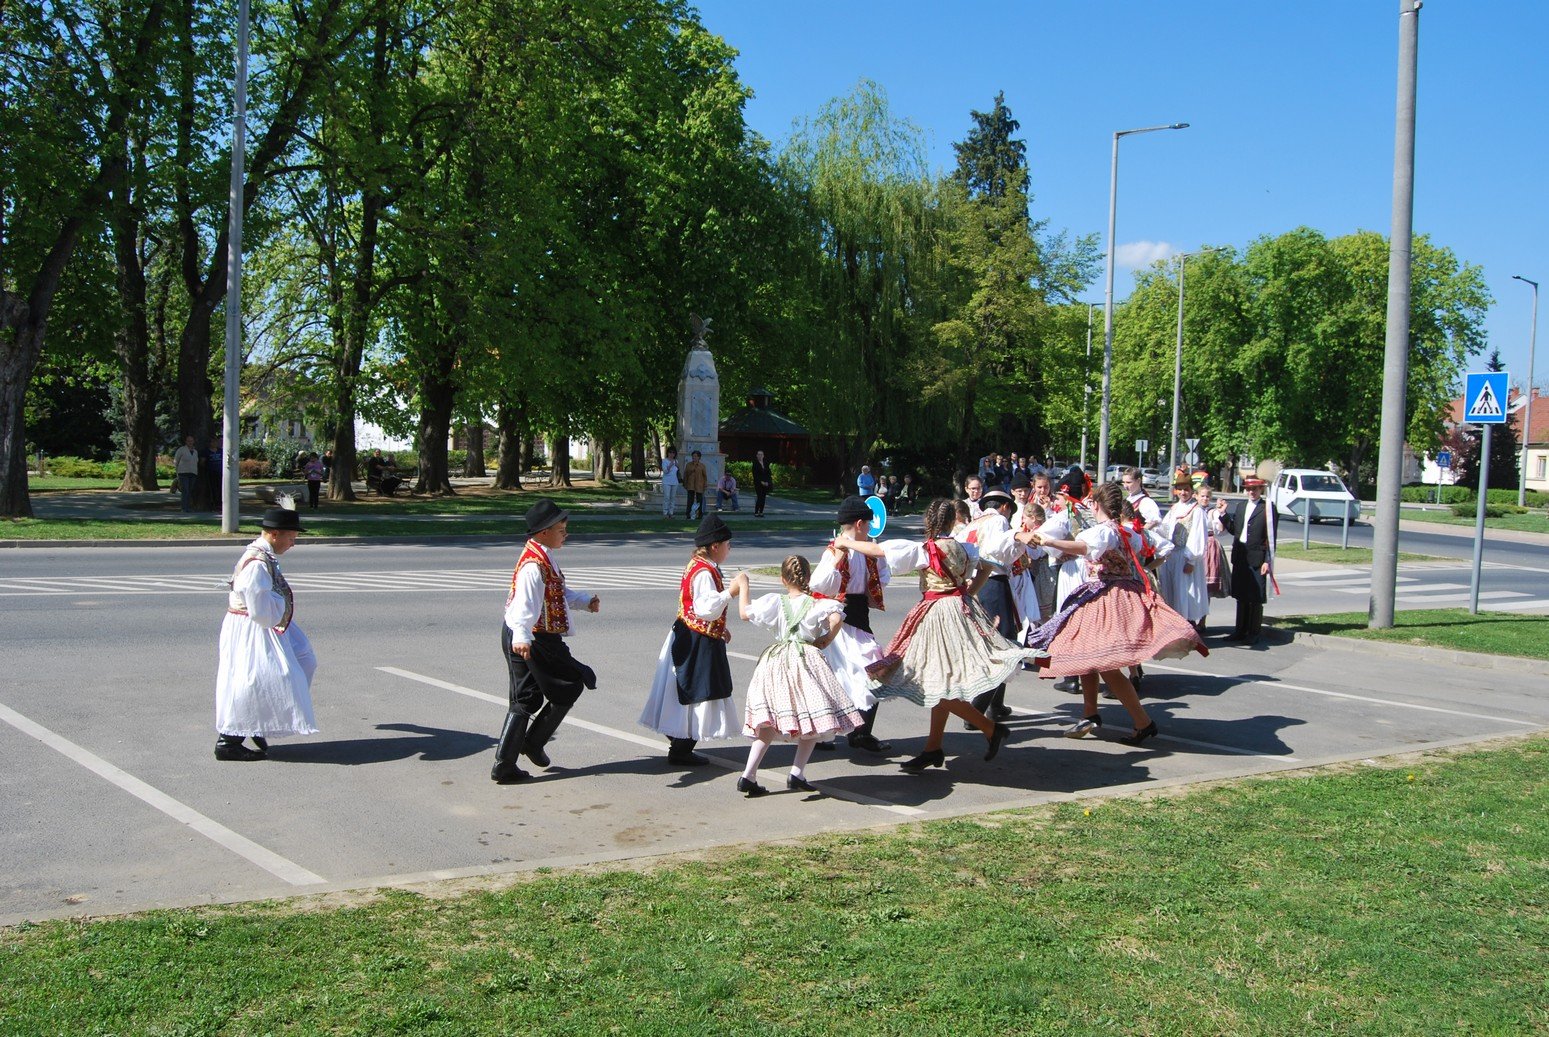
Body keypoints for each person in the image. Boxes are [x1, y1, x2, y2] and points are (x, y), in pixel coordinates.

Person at [836, 499, 1043, 773]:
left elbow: (878, 550)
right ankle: (933, 747)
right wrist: (967, 593)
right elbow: (987, 566)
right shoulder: (965, 547)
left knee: (934, 682)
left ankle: (990, 728)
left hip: (938, 613)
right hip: (962, 609)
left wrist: (845, 542)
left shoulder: (925, 549)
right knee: (943, 679)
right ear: (951, 522)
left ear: (929, 522)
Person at [1021, 480, 1206, 747]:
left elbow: (1083, 547)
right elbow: (1145, 546)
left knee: (1105, 664)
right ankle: (1090, 713)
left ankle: (1142, 722)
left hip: (1108, 596)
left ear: (1097, 504)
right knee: (1086, 653)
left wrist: (1048, 540)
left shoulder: (1105, 531)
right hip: (1114, 593)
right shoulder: (1127, 531)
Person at [732, 556, 864, 797]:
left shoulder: (775, 602)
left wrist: (744, 585)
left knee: (769, 719)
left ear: (783, 580)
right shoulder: (817, 605)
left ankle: (748, 775)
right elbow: (836, 618)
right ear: (808, 578)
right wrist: (826, 639)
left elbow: (744, 613)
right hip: (805, 660)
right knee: (813, 716)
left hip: (776, 661)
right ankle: (796, 772)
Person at [491, 500, 600, 784]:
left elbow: (556, 592)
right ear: (543, 532)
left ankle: (513, 758)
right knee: (565, 685)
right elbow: (523, 605)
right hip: (529, 636)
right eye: (561, 530)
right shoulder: (533, 565)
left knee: (532, 696)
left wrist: (584, 601)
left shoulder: (543, 555)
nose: (566, 535)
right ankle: (524, 749)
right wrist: (522, 637)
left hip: (533, 636)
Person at [639, 513, 749, 765]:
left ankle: (680, 741)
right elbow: (705, 607)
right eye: (728, 544)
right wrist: (731, 592)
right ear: (715, 546)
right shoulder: (703, 572)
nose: (730, 549)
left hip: (692, 635)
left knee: (689, 691)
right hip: (695, 642)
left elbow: (700, 609)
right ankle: (681, 747)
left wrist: (719, 627)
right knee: (698, 691)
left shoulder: (700, 565)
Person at [214, 502, 317, 760]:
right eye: (291, 538)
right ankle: (229, 741)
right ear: (274, 534)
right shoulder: (257, 563)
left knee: (303, 659)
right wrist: (279, 602)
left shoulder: (264, 555)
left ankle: (256, 724)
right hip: (253, 626)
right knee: (255, 679)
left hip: (265, 622)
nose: (293, 543)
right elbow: (259, 608)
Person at [810, 495, 894, 755]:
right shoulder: (834, 550)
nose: (869, 529)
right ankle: (831, 733)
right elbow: (818, 584)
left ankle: (859, 732)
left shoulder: (867, 549)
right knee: (850, 672)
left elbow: (884, 576)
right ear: (859, 524)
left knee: (868, 671)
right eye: (868, 524)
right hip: (837, 616)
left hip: (857, 614)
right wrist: (838, 557)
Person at [1219, 476, 1276, 642]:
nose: (1252, 492)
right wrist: (1223, 514)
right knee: (1241, 595)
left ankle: (1253, 633)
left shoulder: (1268, 508)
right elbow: (1235, 530)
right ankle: (1240, 630)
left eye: (1255, 489)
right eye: (1249, 489)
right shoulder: (1241, 506)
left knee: (1255, 597)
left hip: (1257, 557)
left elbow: (1271, 537)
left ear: (1261, 490)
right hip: (1241, 556)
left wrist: (1267, 560)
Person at [1158, 476, 1215, 631]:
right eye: (1180, 489)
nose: (1183, 493)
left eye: (1186, 489)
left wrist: (1191, 560)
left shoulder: (1197, 511)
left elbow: (1198, 536)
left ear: (1191, 491)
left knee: (1185, 590)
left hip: (1185, 556)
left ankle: (1188, 623)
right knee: (1172, 590)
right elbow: (1165, 529)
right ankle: (1175, 623)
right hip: (1172, 555)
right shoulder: (1174, 509)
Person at [1196, 484, 1232, 601]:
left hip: (1209, 547)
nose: (1205, 498)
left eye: (1207, 496)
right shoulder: (1192, 510)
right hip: (1195, 544)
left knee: (1207, 585)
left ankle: (1204, 611)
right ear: (1196, 496)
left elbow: (1220, 530)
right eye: (1202, 496)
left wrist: (1221, 512)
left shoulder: (1212, 512)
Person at [174, 435, 200, 512]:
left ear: (193, 441)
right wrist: (177, 472)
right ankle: (184, 508)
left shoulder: (195, 451)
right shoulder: (181, 450)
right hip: (183, 473)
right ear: (186, 442)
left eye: (191, 441)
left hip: (193, 473)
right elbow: (176, 461)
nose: (190, 442)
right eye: (188, 441)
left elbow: (196, 462)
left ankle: (188, 507)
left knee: (190, 491)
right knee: (185, 490)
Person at [681, 450, 708, 520]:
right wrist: (685, 483)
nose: (694, 457)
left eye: (696, 456)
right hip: (690, 485)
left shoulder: (702, 466)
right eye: (693, 456)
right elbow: (685, 475)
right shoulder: (688, 465)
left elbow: (705, 476)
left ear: (699, 457)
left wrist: (705, 485)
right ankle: (688, 514)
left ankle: (699, 515)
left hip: (699, 485)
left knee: (699, 501)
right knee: (690, 500)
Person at [751, 449, 773, 517]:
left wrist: (768, 482)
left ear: (763, 456)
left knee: (763, 498)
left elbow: (769, 474)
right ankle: (756, 512)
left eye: (761, 454)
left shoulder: (766, 463)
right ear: (757, 456)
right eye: (758, 454)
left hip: (766, 483)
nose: (760, 456)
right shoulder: (755, 463)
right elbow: (755, 475)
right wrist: (761, 482)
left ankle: (761, 512)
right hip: (758, 483)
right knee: (759, 497)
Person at [660, 447, 681, 518]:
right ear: (667, 453)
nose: (671, 454)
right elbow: (665, 471)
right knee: (667, 497)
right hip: (666, 481)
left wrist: (677, 466)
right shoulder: (664, 461)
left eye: (673, 453)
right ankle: (665, 513)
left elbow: (678, 470)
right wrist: (670, 465)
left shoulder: (676, 461)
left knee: (673, 498)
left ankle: (671, 513)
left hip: (674, 481)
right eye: (670, 452)